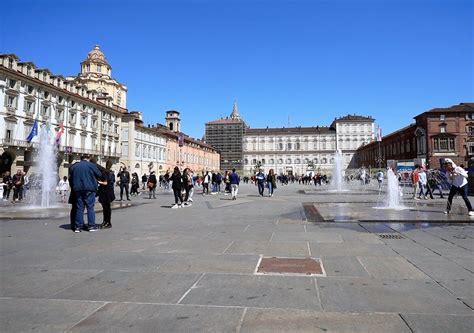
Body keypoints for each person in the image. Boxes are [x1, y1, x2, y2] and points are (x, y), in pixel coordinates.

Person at [69, 155, 101, 232]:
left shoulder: (75, 166)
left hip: (78, 189)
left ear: (81, 159)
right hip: (89, 188)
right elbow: (99, 174)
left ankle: (78, 227)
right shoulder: (91, 165)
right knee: (90, 207)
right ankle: (91, 226)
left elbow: (71, 177)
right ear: (88, 159)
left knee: (79, 208)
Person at [97, 161, 115, 229]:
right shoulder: (111, 172)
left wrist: (98, 181)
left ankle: (107, 222)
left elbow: (105, 183)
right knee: (107, 208)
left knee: (106, 208)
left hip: (105, 192)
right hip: (109, 192)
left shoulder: (105, 172)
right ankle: (106, 221)